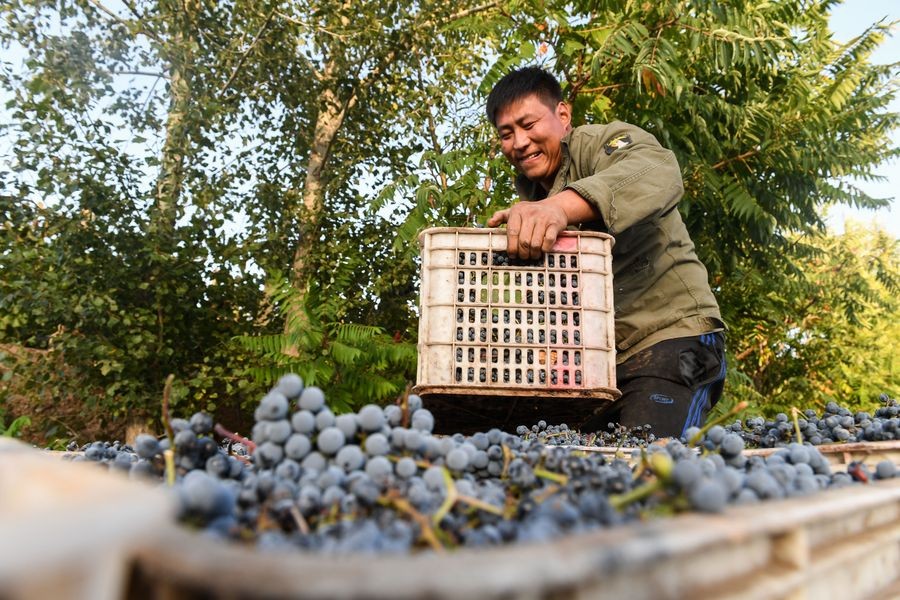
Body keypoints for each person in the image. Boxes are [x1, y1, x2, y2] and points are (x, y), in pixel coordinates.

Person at [485, 66, 726, 438]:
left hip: (677, 342)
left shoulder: (603, 144)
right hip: (602, 369)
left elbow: (656, 172)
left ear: (562, 115)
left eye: (528, 124)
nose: (519, 142)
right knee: (568, 461)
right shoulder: (532, 196)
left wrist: (559, 209)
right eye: (506, 134)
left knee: (644, 469)